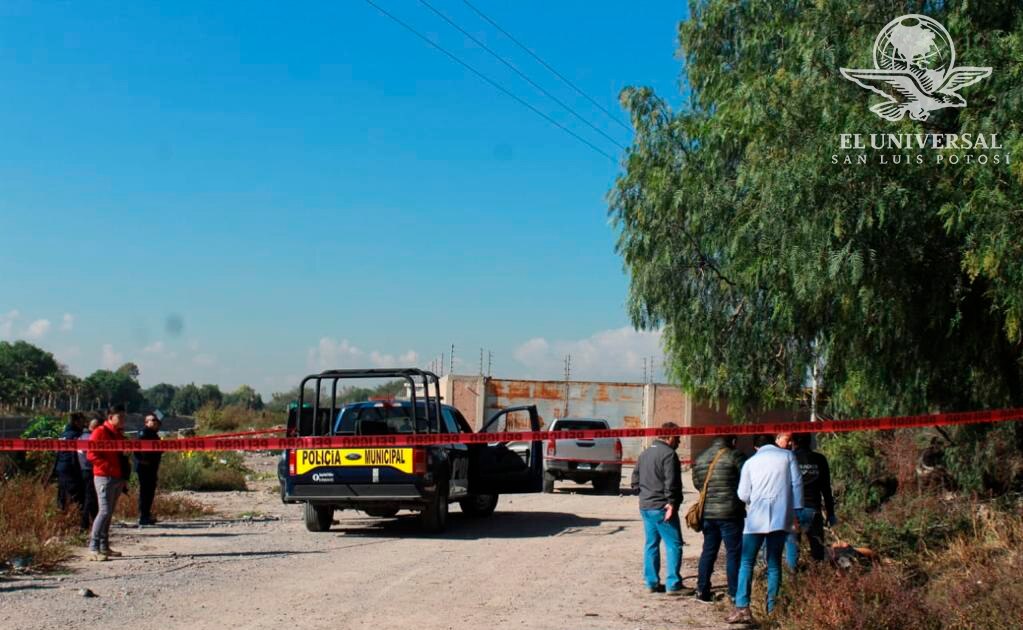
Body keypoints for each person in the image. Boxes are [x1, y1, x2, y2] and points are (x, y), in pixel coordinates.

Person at [726, 433, 803, 624]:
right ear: (774, 443)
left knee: (746, 562)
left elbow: (743, 494)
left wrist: (754, 500)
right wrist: (796, 510)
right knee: (774, 563)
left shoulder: (750, 463)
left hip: (755, 520)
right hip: (781, 518)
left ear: (756, 447)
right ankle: (772, 609)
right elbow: (797, 484)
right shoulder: (787, 457)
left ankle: (743, 607)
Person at [630, 422, 685, 595]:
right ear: (669, 437)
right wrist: (672, 503)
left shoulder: (645, 453)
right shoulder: (669, 455)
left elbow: (634, 480)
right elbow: (672, 482)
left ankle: (651, 582)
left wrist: (643, 495)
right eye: (677, 438)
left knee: (651, 544)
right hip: (662, 507)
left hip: (646, 506)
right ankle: (673, 584)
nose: (679, 442)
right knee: (674, 544)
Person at [691, 435, 746, 604]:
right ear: (733, 442)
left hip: (708, 513)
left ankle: (702, 589)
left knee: (708, 551)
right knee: (733, 553)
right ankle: (734, 592)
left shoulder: (701, 458)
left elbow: (697, 483)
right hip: (731, 512)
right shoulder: (735, 456)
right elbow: (746, 479)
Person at [785, 433, 836, 570]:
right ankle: (816, 581)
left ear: (793, 442)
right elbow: (826, 489)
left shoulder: (788, 459)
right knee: (817, 550)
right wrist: (831, 513)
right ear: (810, 442)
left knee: (792, 547)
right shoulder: (819, 459)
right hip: (813, 509)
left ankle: (793, 582)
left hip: (792, 511)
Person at [87, 404, 128, 561]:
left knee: (109, 513)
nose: (123, 420)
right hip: (104, 477)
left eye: (124, 417)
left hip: (117, 477)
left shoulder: (117, 434)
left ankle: (104, 546)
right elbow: (91, 455)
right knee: (103, 511)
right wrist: (109, 468)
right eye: (120, 417)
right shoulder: (99, 432)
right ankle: (93, 548)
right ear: (111, 417)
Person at [54, 413, 85, 519]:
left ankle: (61, 518)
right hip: (71, 469)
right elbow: (76, 455)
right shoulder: (76, 436)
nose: (83, 424)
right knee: (75, 496)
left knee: (62, 495)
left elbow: (57, 453)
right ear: (76, 422)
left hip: (61, 468)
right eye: (82, 421)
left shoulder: (63, 435)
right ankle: (74, 519)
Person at [134, 413, 163, 526]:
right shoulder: (144, 433)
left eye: (157, 420)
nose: (156, 422)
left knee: (150, 492)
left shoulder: (154, 434)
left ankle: (147, 514)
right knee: (145, 492)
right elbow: (136, 448)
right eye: (153, 420)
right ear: (146, 422)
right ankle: (143, 516)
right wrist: (141, 460)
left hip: (152, 467)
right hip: (145, 468)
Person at [77, 416, 102, 531]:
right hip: (90, 470)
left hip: (83, 470)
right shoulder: (91, 438)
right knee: (90, 497)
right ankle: (84, 524)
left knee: (90, 497)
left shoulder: (81, 437)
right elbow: (93, 456)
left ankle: (94, 521)